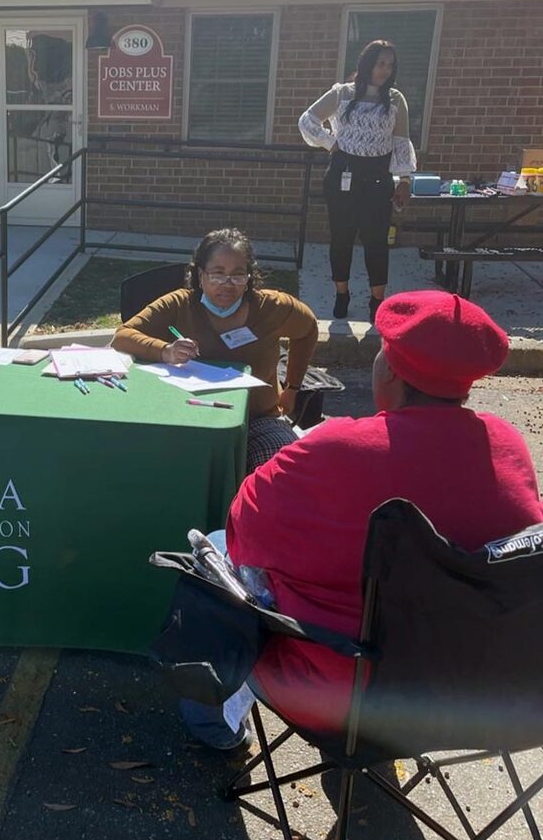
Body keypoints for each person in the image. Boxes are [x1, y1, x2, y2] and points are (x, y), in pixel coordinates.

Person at [222, 291, 543, 737]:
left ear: (390, 369)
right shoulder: (506, 444)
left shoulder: (335, 447)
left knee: (214, 560)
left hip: (351, 695)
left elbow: (243, 533)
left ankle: (213, 727)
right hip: (492, 691)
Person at [111, 228, 318, 471]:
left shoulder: (272, 307)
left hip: (259, 419)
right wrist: (164, 350)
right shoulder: (179, 304)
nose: (227, 285)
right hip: (189, 419)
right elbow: (122, 337)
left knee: (285, 472)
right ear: (200, 275)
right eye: (217, 274)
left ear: (249, 277)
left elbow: (308, 330)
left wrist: (292, 388)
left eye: (238, 275)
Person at [299, 39, 417, 324]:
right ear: (367, 64)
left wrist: (404, 179)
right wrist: (331, 143)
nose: (385, 70)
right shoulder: (342, 94)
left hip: (378, 178)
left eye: (390, 65)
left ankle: (377, 299)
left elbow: (401, 141)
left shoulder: (395, 99)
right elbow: (308, 120)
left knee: (376, 240)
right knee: (342, 237)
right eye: (380, 64)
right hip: (343, 174)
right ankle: (342, 293)